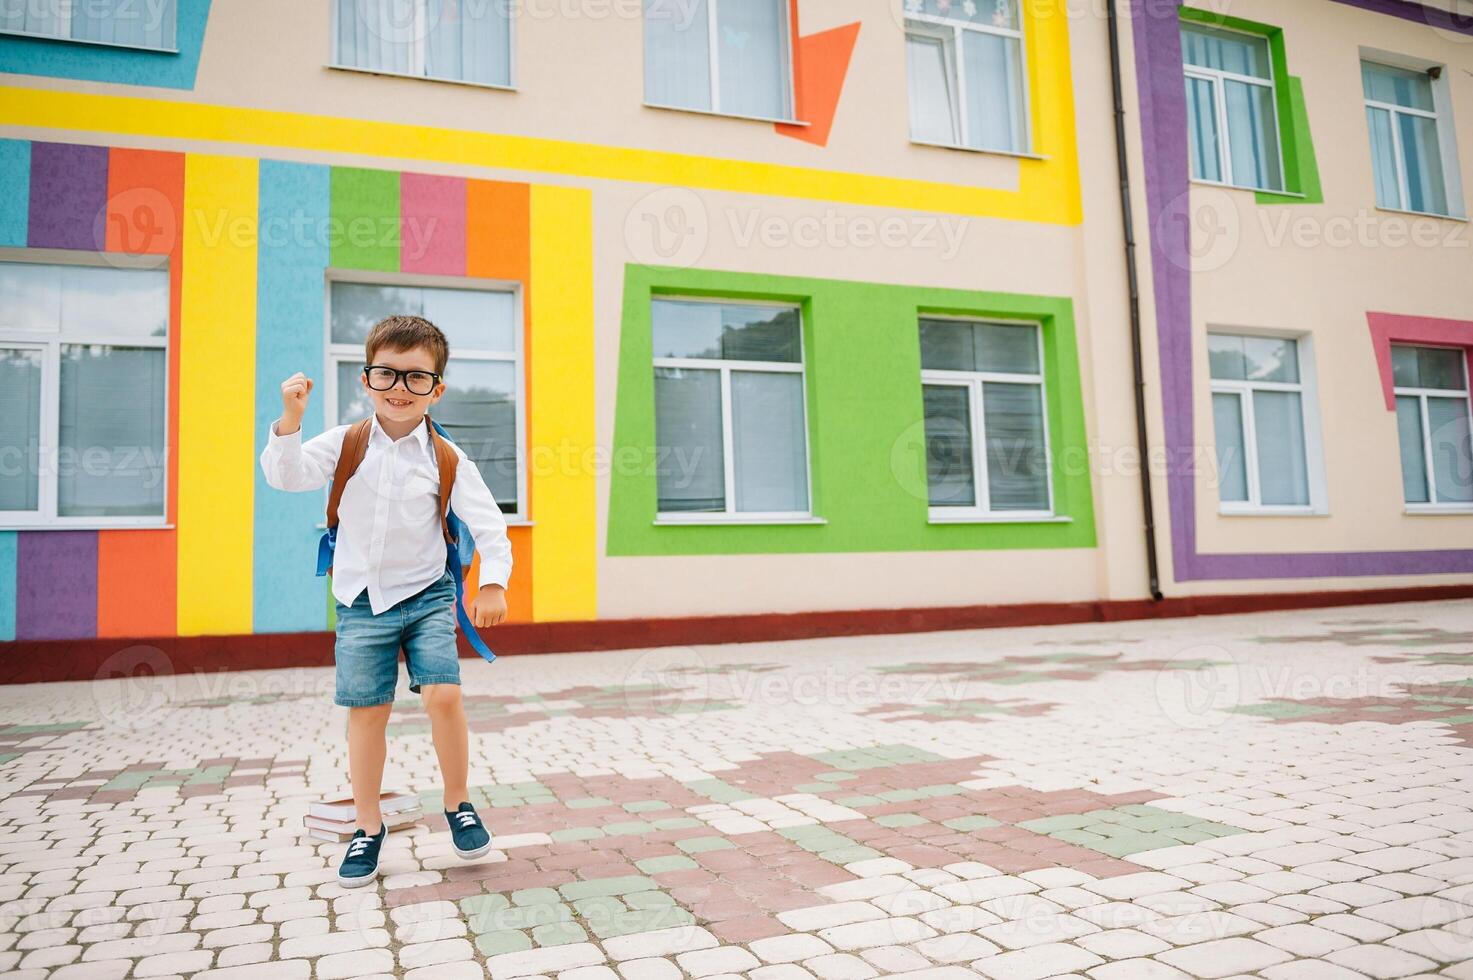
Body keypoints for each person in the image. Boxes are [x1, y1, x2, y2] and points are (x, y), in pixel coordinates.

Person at [260, 314, 513, 888]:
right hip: (359, 601)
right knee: (367, 712)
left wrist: (492, 582)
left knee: (443, 695)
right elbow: (287, 476)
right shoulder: (345, 443)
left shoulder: (447, 457)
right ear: (366, 379)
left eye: (416, 378)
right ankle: (367, 829)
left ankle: (458, 804)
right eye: (387, 374)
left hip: (427, 593)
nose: (400, 388)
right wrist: (291, 421)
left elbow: (489, 525)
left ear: (437, 388)